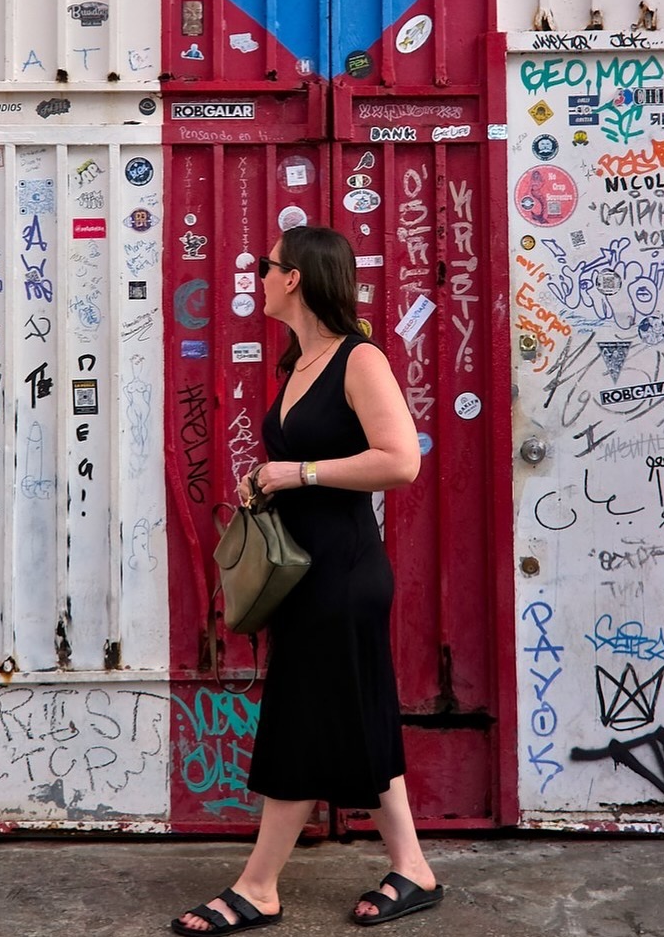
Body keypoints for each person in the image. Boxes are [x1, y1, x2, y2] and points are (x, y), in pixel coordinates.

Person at [172, 225, 443, 933]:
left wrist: (301, 471)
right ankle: (412, 865)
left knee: (298, 717)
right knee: (361, 711)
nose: (256, 275)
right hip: (303, 569)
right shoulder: (298, 361)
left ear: (294, 277)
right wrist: (269, 481)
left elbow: (400, 459)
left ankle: (258, 884)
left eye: (265, 266)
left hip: (344, 571)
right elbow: (301, 463)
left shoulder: (359, 358)